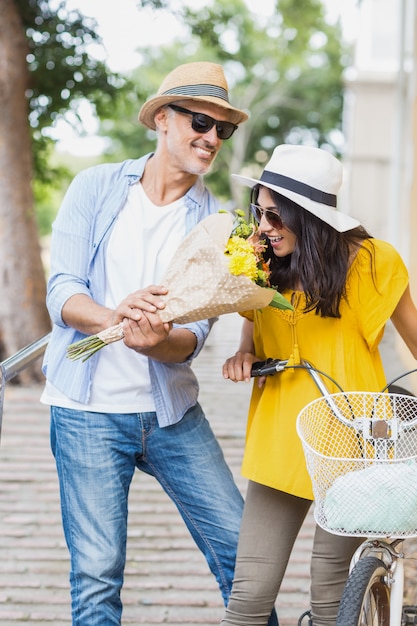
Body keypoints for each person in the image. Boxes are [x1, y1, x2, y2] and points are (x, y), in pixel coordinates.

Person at [40, 61, 278, 626]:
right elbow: (62, 290)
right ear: (163, 120)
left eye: (223, 129)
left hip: (171, 413)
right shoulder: (96, 186)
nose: (212, 138)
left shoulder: (219, 226)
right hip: (86, 413)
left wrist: (155, 343)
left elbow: (191, 340)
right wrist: (110, 317)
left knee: (245, 559)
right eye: (201, 121)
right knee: (97, 576)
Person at [220, 144, 417, 626]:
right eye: (258, 211)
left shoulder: (373, 261)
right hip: (278, 437)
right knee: (249, 594)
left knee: (332, 591)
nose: (262, 226)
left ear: (307, 217)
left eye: (274, 215)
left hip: (352, 442)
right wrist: (245, 350)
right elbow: (253, 320)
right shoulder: (260, 263)